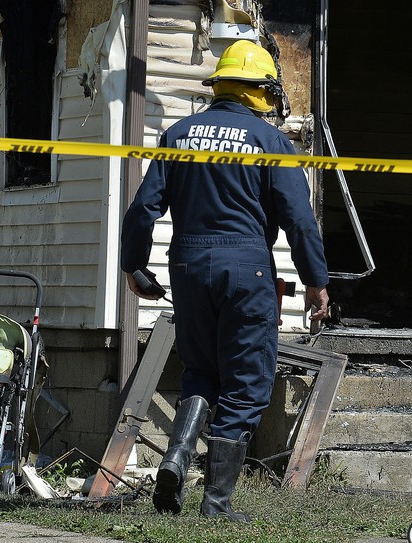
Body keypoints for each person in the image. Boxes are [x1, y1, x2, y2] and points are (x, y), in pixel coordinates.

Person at [120, 39, 329, 521]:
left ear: (220, 85)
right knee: (246, 383)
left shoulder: (177, 134)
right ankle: (216, 504)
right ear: (261, 92)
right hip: (245, 267)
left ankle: (175, 457)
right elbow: (298, 219)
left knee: (200, 371)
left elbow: (143, 209)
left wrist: (134, 266)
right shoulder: (271, 142)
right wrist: (315, 280)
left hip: (187, 266)